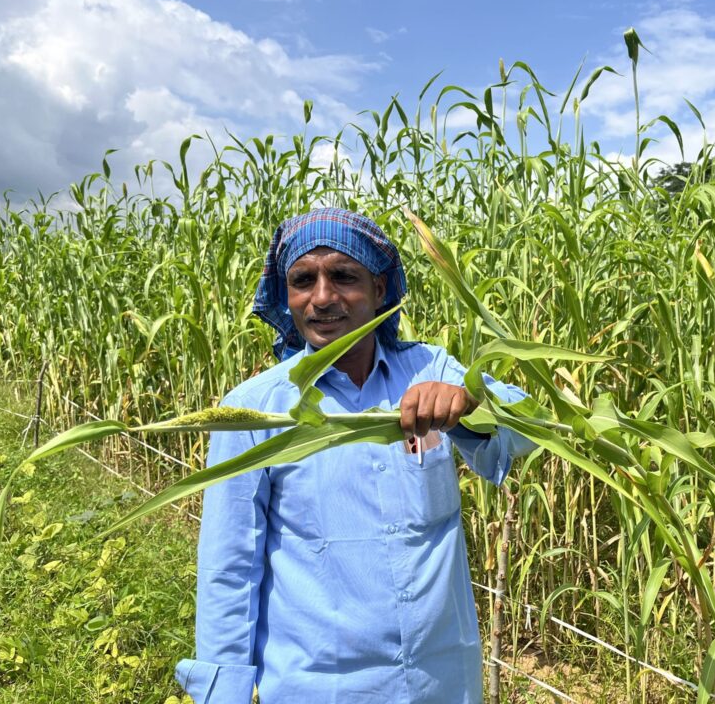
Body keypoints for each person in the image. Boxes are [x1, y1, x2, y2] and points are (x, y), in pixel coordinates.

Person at [175, 208, 534, 703]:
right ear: (286, 295)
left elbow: (530, 427)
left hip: (442, 680)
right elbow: (230, 566)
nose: (322, 297)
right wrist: (225, 693)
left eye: (343, 276)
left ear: (380, 289)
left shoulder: (431, 370)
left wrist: (470, 403)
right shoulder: (256, 410)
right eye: (303, 281)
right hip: (322, 687)